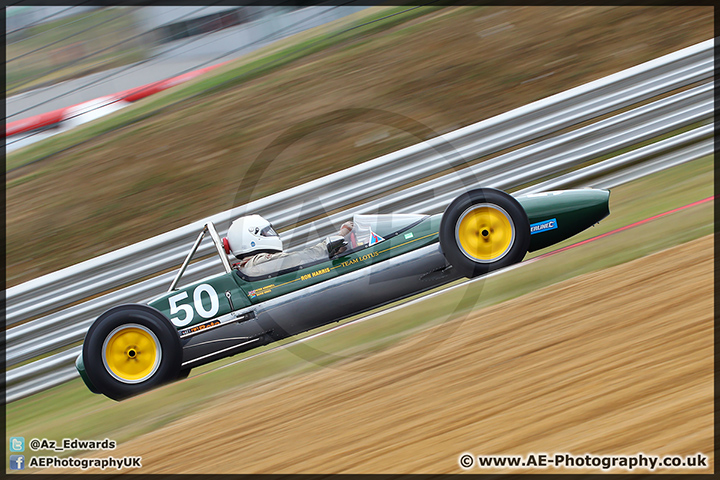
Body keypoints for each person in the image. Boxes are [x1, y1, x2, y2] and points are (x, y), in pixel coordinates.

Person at [223, 214, 353, 277]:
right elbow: (296, 259)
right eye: (265, 232)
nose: (271, 235)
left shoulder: (250, 265)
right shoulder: (258, 263)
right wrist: (330, 244)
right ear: (252, 236)